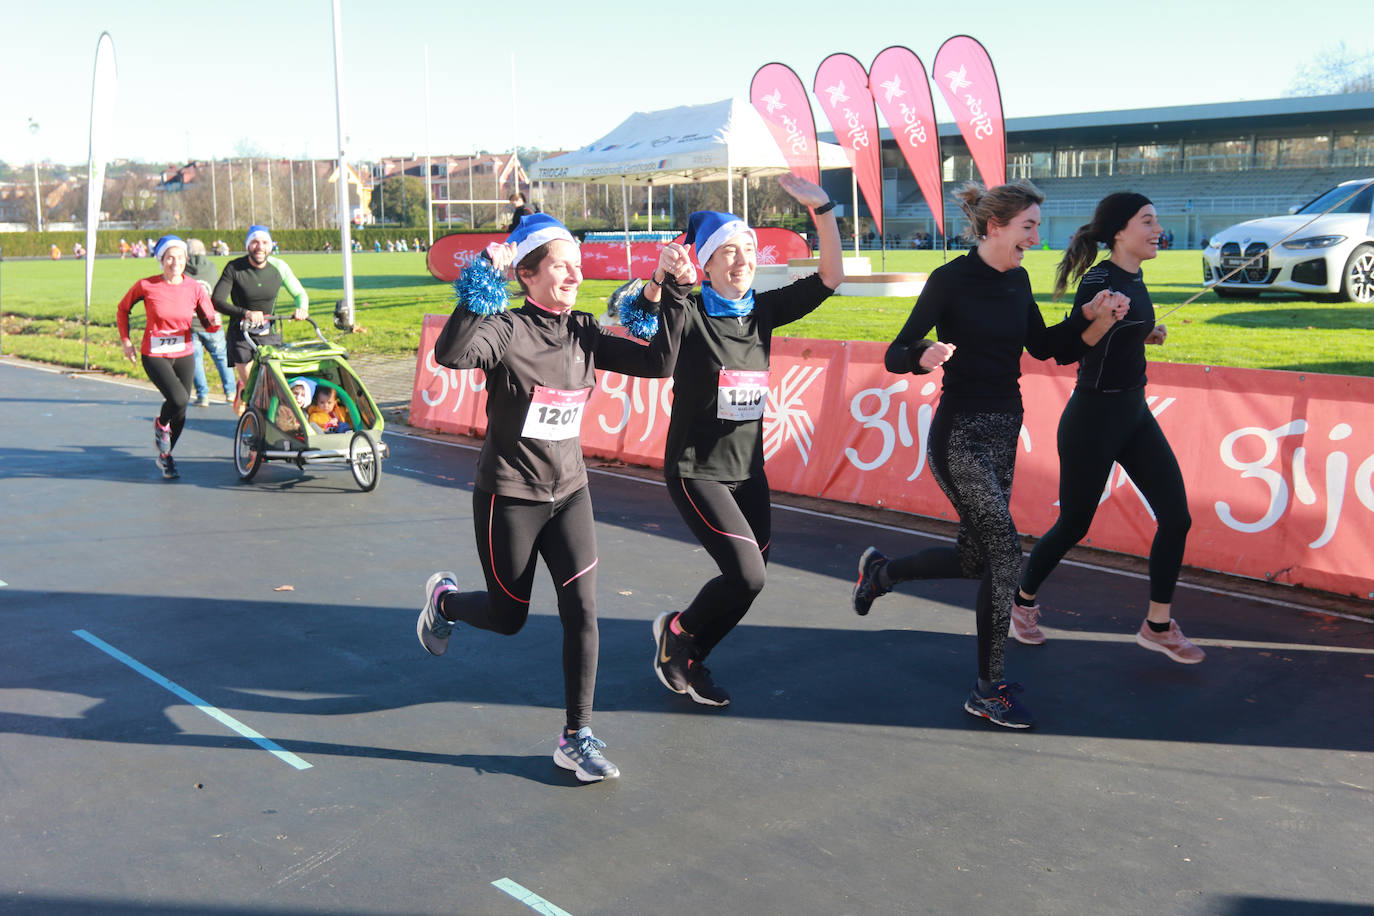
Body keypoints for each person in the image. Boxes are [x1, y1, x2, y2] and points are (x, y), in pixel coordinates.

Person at [415, 213, 685, 782]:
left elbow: (660, 361)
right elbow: (453, 353)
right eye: (560, 265)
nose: (573, 276)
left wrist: (671, 289)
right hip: (509, 497)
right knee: (508, 617)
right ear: (528, 273)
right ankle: (444, 605)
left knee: (583, 611)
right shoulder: (507, 328)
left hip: (569, 493)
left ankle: (576, 735)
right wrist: (483, 277)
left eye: (577, 267)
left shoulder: (584, 330)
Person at [850, 180, 1127, 729]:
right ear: (995, 227)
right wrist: (922, 355)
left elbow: (1049, 348)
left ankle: (883, 573)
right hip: (960, 437)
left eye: (1037, 226)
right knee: (1004, 554)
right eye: (1029, 225)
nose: (1036, 236)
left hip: (1005, 431)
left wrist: (1095, 317)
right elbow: (894, 352)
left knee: (979, 559)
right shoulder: (949, 280)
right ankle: (987, 688)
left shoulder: (1018, 279)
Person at [647, 174, 842, 708]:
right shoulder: (686, 312)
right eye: (727, 252)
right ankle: (679, 635)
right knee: (746, 572)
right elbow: (635, 316)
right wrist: (663, 281)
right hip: (696, 470)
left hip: (748, 470)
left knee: (748, 582)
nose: (741, 260)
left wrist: (821, 208)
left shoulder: (763, 312)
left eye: (748, 250)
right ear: (705, 264)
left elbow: (830, 277)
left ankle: (689, 651)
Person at [1010, 193, 1203, 664]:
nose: (1158, 228)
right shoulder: (1099, 279)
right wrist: (1098, 318)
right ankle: (1021, 603)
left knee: (1177, 518)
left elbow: (1124, 330)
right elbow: (1074, 348)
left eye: (1157, 220)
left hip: (1134, 414)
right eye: (1147, 221)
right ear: (1120, 231)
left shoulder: (1136, 277)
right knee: (1075, 524)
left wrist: (1142, 332)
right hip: (1093, 418)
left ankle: (1157, 626)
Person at [116, 235, 221, 479]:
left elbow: (209, 324)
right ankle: (161, 425)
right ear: (161, 260)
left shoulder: (194, 287)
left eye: (180, 257)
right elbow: (123, 310)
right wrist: (126, 341)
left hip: (184, 351)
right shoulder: (146, 285)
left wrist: (215, 323)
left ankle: (165, 455)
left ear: (186, 259)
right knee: (178, 398)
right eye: (170, 258)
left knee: (182, 409)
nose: (175, 262)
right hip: (155, 353)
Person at [212, 225, 308, 415]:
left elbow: (299, 293)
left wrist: (302, 309)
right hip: (241, 333)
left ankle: (268, 422)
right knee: (255, 388)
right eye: (255, 242)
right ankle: (249, 400)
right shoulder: (234, 268)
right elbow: (217, 301)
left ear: (270, 246)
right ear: (248, 245)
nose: (260, 247)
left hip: (267, 332)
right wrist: (245, 313)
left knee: (272, 386)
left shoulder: (278, 267)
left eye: (264, 242)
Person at [184, 239, 234, 407]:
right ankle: (231, 392)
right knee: (222, 358)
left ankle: (203, 395)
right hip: (212, 321)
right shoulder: (212, 268)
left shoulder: (184, 270)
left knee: (196, 361)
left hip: (191, 323)